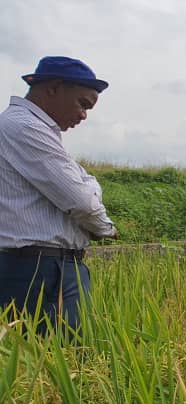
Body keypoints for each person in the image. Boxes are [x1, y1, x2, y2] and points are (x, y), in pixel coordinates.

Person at [0, 56, 118, 332]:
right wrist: (105, 228)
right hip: (42, 270)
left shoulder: (28, 129)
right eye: (82, 104)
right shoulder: (26, 128)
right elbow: (82, 202)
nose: (83, 115)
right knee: (62, 358)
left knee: (37, 361)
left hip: (37, 266)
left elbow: (86, 182)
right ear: (53, 88)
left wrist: (88, 185)